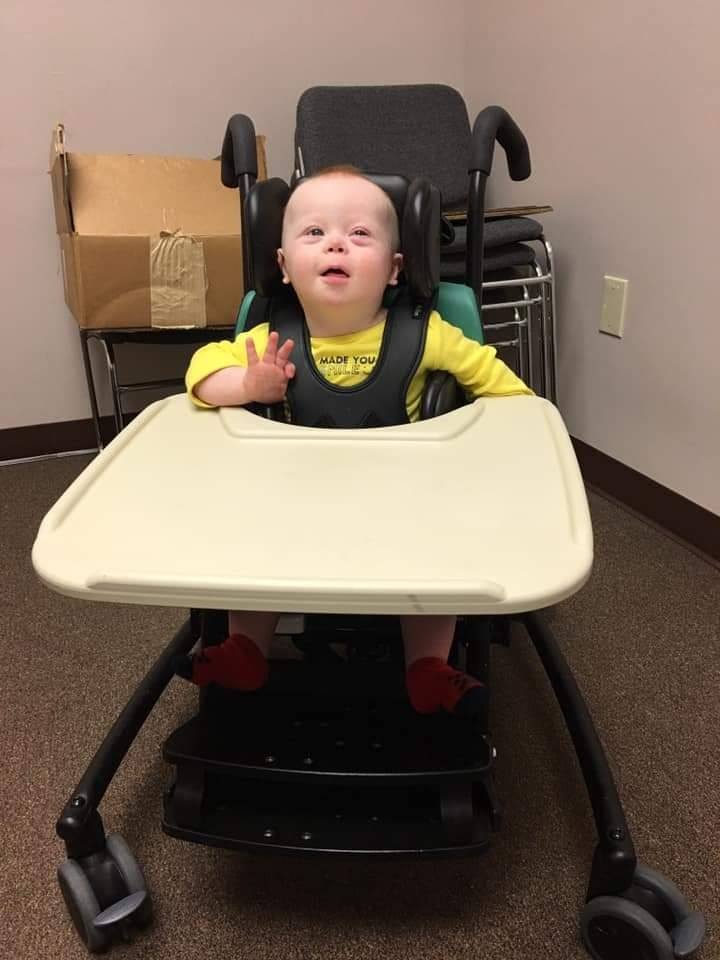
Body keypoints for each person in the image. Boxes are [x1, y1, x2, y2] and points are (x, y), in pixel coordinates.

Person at [177, 166, 532, 716]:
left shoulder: (427, 334)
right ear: (284, 267)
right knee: (250, 536)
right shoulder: (269, 336)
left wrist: (520, 435)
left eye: (360, 234)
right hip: (295, 499)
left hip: (404, 501)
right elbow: (199, 375)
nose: (337, 242)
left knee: (437, 549)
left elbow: (503, 390)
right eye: (314, 233)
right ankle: (246, 648)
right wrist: (249, 383)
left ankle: (428, 667)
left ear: (395, 270)